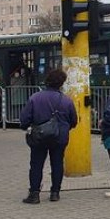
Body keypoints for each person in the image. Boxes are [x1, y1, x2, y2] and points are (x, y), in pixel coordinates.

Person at [19, 69, 78, 204]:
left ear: (47, 82)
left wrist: (27, 127)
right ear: (61, 83)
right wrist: (64, 128)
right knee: (57, 163)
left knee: (36, 164)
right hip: (60, 137)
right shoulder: (67, 101)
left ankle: (34, 194)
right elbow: (74, 121)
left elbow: (24, 119)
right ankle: (55, 193)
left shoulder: (35, 98)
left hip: (39, 137)